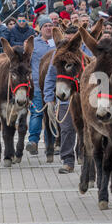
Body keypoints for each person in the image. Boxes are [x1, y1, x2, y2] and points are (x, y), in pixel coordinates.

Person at [43, 26, 85, 173]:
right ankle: (68, 160)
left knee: (85, 129)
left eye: (72, 36)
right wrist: (49, 98)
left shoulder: (85, 51)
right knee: (67, 129)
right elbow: (50, 77)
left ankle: (84, 156)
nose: (69, 39)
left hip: (84, 99)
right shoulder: (58, 54)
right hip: (66, 99)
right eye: (67, 36)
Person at [26, 16, 56, 158]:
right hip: (37, 85)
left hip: (54, 86)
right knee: (37, 113)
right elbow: (26, 62)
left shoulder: (57, 42)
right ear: (40, 28)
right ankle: (33, 142)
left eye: (51, 25)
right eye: (46, 26)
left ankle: (51, 145)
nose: (49, 28)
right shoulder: (33, 43)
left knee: (52, 116)